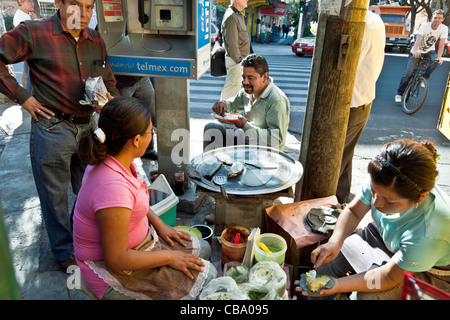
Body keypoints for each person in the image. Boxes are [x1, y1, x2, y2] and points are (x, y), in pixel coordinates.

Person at [0, 0, 119, 271]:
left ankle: (86, 237)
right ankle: (64, 252)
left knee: (93, 188)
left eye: (90, 7)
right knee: (54, 197)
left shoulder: (95, 39)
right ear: (59, 3)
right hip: (52, 128)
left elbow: (107, 78)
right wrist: (23, 98)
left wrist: (110, 100)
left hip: (89, 127)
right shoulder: (33, 32)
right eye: (77, 5)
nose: (85, 13)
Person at [73, 97, 215, 300]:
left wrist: (160, 225)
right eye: (151, 131)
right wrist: (168, 256)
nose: (152, 135)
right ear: (136, 140)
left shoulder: (117, 159)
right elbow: (117, 259)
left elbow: (134, 202)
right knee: (206, 273)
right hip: (113, 268)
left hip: (140, 244)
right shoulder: (111, 187)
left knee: (204, 248)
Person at [296, 139, 450, 300]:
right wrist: (335, 242)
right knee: (325, 264)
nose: (376, 203)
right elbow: (354, 212)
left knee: (365, 297)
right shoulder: (384, 179)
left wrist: (338, 284)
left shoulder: (430, 233)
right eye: (374, 192)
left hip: (427, 269)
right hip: (386, 238)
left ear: (421, 197)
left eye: (389, 201)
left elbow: (388, 277)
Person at [336, 10, 386, 204]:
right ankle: (340, 201)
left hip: (349, 103)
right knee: (345, 157)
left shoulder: (357, 25)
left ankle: (325, 207)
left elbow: (343, 69)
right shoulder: (375, 20)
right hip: (362, 100)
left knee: (335, 162)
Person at [203, 53, 290, 151]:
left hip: (265, 150)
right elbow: (233, 104)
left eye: (251, 78)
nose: (245, 82)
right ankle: (211, 165)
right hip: (247, 139)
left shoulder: (276, 100)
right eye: (243, 77)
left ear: (264, 77)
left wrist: (245, 126)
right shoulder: (248, 91)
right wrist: (224, 104)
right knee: (211, 129)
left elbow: (276, 139)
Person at [395, 9, 448, 103]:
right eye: (435, 18)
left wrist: (439, 57)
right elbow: (418, 39)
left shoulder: (444, 28)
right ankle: (399, 93)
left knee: (435, 61)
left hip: (429, 50)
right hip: (417, 50)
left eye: (439, 18)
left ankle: (423, 78)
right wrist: (415, 50)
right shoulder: (425, 26)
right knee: (408, 73)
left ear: (442, 19)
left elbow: (441, 44)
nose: (437, 20)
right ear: (432, 18)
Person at [115, 75, 158, 160]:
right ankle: (122, 153)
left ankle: (147, 149)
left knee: (149, 113)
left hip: (141, 76)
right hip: (121, 79)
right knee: (123, 117)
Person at [220, 0, 252, 100]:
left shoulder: (237, 15)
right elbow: (232, 42)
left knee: (235, 87)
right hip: (236, 60)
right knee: (232, 88)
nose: (247, 0)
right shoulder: (231, 16)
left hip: (240, 59)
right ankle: (224, 111)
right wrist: (239, 60)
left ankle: (229, 111)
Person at [13, 0, 37, 93]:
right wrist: (34, 20)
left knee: (31, 75)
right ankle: (29, 99)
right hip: (29, 50)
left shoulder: (28, 14)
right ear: (21, 2)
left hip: (32, 49)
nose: (33, 4)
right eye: (29, 1)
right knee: (29, 76)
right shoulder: (20, 17)